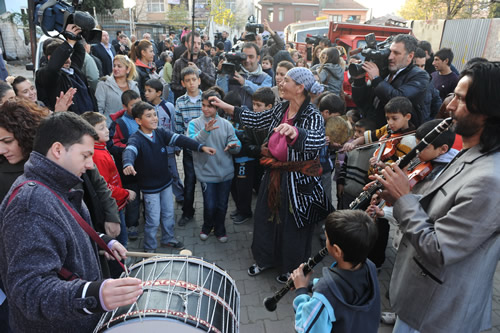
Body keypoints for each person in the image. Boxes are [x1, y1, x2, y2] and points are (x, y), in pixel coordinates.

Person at [375, 61, 500, 333]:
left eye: (462, 99)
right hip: (422, 301)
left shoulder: (491, 180)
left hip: (438, 312)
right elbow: (438, 207)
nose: (450, 106)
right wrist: (395, 195)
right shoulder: (472, 152)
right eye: (453, 95)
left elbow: (440, 249)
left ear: (490, 112)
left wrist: (404, 199)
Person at [0, 112, 143, 332]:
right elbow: (29, 292)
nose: (89, 165)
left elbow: (63, 231)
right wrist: (94, 295)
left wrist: (102, 241)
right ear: (58, 150)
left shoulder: (56, 182)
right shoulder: (31, 205)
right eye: (85, 155)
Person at [211, 67, 333, 283]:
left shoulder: (312, 115)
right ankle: (265, 259)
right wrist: (227, 107)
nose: (281, 84)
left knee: (294, 224)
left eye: (286, 80)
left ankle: (292, 268)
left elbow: (316, 140)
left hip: (299, 180)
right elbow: (258, 120)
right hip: (274, 173)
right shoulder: (282, 108)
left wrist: (297, 133)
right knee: (265, 217)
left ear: (300, 87)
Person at [122, 101, 216, 252]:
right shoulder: (136, 139)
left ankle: (168, 239)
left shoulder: (160, 132)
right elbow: (130, 151)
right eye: (149, 116)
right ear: (138, 121)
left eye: (155, 115)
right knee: (152, 220)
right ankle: (150, 248)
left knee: (168, 214)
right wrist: (128, 163)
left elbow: (180, 139)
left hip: (166, 184)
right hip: (149, 189)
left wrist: (200, 147)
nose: (154, 118)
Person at [291, 210, 380, 333]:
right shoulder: (370, 266)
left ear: (337, 251)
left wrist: (301, 291)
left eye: (327, 238)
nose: (326, 241)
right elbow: (346, 286)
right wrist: (311, 285)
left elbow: (306, 328)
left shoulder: (324, 294)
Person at [188, 88, 241, 242]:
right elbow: (192, 144)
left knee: (222, 205)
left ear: (217, 107)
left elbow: (236, 143)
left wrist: (234, 146)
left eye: (210, 106)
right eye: (203, 105)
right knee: (210, 205)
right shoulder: (194, 124)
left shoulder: (226, 124)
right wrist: (205, 131)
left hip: (226, 174)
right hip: (206, 175)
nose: (205, 109)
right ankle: (207, 226)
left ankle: (220, 229)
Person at [81, 111, 136, 248]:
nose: (107, 131)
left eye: (106, 126)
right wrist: (125, 193)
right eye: (101, 128)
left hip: (116, 204)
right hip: (112, 208)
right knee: (120, 243)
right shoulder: (97, 156)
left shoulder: (101, 148)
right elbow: (105, 187)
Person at [352, 34, 429, 128]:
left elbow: (398, 99)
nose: (390, 57)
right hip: (373, 131)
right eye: (390, 52)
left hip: (396, 136)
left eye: (396, 53)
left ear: (410, 56)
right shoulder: (385, 71)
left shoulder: (420, 76)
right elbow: (361, 102)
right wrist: (359, 80)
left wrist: (377, 79)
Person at [230, 87, 276, 223]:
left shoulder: (275, 123)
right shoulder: (250, 120)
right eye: (253, 104)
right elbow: (246, 142)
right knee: (243, 187)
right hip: (251, 159)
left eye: (258, 105)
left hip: (269, 163)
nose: (254, 108)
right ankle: (244, 211)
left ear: (269, 107)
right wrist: (258, 149)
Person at [36, 25, 97, 114]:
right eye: (64, 56)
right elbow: (53, 68)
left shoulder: (74, 69)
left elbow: (80, 51)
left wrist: (72, 32)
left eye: (69, 56)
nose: (68, 60)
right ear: (50, 58)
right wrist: (69, 42)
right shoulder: (44, 75)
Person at [108, 90, 142, 240]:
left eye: (138, 103)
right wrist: (129, 149)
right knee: (133, 195)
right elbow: (112, 144)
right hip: (127, 166)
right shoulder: (119, 123)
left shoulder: (144, 115)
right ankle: (132, 224)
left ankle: (149, 218)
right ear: (124, 106)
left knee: (147, 194)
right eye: (133, 105)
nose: (137, 107)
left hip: (145, 165)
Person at [144, 78, 184, 203]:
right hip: (153, 150)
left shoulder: (169, 107)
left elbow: (174, 126)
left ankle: (181, 195)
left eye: (149, 91)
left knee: (174, 173)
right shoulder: (144, 108)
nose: (146, 93)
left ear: (159, 93)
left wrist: (176, 146)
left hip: (169, 149)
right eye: (145, 91)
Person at [174, 67, 203, 226]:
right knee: (190, 181)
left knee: (207, 183)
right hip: (189, 149)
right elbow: (178, 124)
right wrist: (178, 144)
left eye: (194, 79)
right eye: (188, 80)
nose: (191, 83)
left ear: (199, 80)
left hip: (207, 148)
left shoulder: (206, 98)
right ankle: (187, 212)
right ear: (183, 83)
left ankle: (210, 214)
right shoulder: (180, 101)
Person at [216, 42, 272, 110]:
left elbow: (264, 98)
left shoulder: (266, 78)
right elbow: (222, 95)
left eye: (251, 57)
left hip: (253, 118)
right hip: (232, 116)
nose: (247, 60)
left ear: (258, 58)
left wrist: (244, 83)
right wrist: (222, 75)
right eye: (244, 56)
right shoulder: (232, 73)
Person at [336, 118, 377, 209]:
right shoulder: (351, 149)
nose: (355, 135)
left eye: (360, 132)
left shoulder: (375, 152)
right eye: (355, 131)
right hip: (347, 193)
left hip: (362, 196)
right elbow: (344, 168)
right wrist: (340, 183)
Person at [95, 55, 140, 125]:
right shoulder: (103, 85)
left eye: (119, 66)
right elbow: (98, 109)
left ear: (128, 69)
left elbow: (139, 108)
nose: (115, 69)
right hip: (111, 128)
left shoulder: (134, 86)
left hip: (131, 127)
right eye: (114, 66)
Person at [170, 31, 216, 101]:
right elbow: (173, 85)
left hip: (204, 102)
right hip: (185, 103)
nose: (196, 46)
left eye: (199, 43)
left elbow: (212, 82)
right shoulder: (179, 63)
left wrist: (199, 72)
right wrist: (188, 88)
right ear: (186, 44)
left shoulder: (207, 61)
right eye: (193, 43)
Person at [414, 48, 441, 121]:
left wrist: (430, 121)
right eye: (416, 66)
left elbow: (436, 102)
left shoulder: (429, 80)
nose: (420, 69)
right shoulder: (402, 80)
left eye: (422, 66)